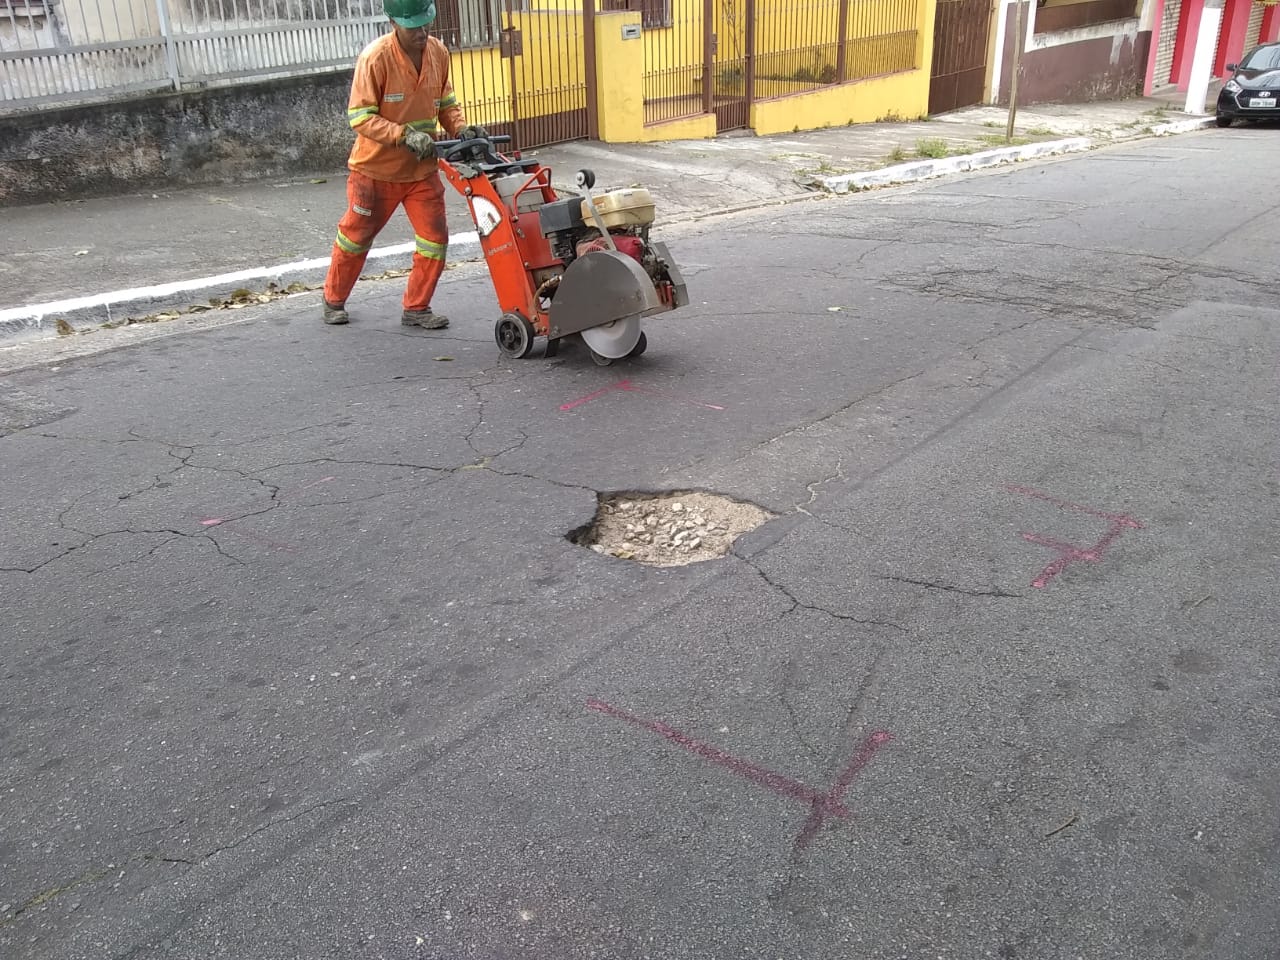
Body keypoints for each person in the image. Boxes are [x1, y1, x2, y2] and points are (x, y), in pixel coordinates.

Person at [321, 0, 487, 328]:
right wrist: (402, 135)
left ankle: (417, 307)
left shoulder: (438, 53)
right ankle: (333, 299)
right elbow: (360, 116)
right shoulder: (376, 58)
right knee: (355, 237)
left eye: (426, 23)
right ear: (393, 22)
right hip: (374, 171)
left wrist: (461, 128)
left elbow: (446, 102)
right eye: (414, 26)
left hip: (421, 172)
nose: (422, 32)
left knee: (434, 239)